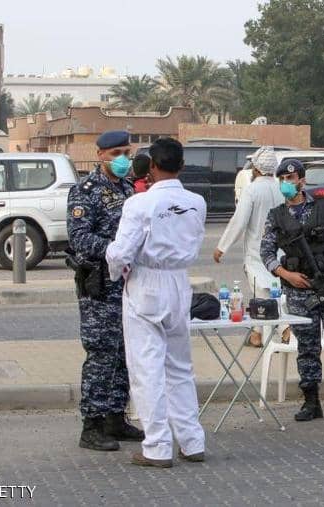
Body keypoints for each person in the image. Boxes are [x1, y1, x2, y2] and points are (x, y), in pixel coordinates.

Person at [106, 137, 207, 468]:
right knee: (180, 368)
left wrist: (114, 267)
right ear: (181, 166)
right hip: (179, 282)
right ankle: (192, 441)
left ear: (151, 166)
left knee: (146, 369)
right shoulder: (197, 202)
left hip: (147, 282)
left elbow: (121, 252)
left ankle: (158, 446)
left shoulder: (140, 203)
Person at [260, 159, 324, 422]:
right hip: (300, 290)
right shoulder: (276, 216)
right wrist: (286, 275)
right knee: (307, 347)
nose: (286, 184)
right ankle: (311, 402)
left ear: (302, 181)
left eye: (290, 179)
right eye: (282, 180)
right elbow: (266, 253)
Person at [66, 130, 144, 451]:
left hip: (127, 284)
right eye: (116, 154)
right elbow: (79, 238)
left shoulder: (127, 188)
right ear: (100, 155)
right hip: (99, 286)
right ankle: (92, 425)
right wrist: (115, 250)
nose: (123, 159)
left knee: (124, 353)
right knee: (101, 354)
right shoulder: (85, 191)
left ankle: (115, 417)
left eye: (126, 152)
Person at [214, 147, 285, 347]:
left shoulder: (252, 190)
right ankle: (256, 333)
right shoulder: (281, 188)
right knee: (272, 290)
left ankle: (284, 329)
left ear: (256, 168)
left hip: (257, 251)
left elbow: (239, 221)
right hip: (280, 250)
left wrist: (222, 246)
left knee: (262, 291)